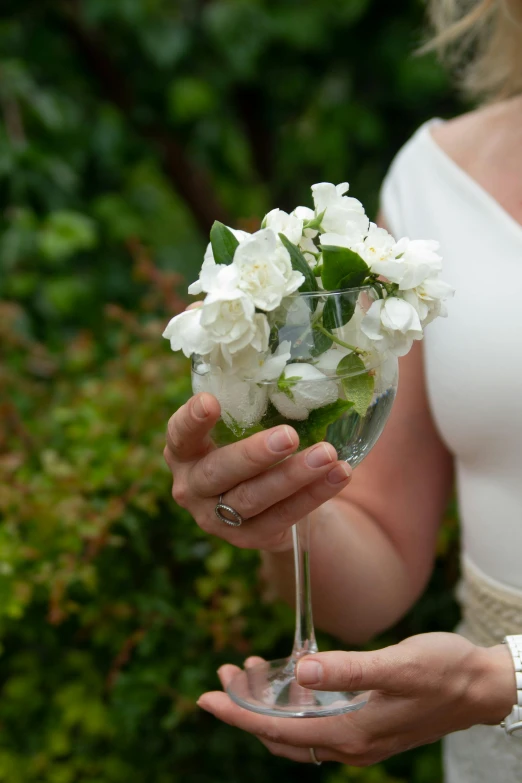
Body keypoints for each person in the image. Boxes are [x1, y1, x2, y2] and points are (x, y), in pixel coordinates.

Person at [163, 1, 522, 779]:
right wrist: (281, 507)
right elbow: (382, 561)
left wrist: (502, 680)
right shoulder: (433, 183)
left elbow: (487, 683)